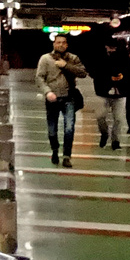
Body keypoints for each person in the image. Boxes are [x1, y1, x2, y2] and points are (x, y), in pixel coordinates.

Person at [34, 34, 88, 167]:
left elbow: (83, 73)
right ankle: (54, 150)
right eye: (58, 42)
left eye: (64, 43)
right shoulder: (45, 59)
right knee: (52, 129)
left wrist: (66, 66)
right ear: (54, 44)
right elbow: (39, 78)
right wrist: (47, 92)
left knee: (69, 128)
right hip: (52, 98)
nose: (61, 45)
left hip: (69, 98)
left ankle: (67, 156)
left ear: (67, 45)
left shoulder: (73, 58)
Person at [93, 44, 130, 150]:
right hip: (102, 93)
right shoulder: (99, 57)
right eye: (109, 46)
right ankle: (104, 133)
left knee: (119, 118)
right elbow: (95, 73)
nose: (112, 49)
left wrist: (123, 77)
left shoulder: (124, 57)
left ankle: (115, 140)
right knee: (100, 117)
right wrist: (109, 78)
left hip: (120, 93)